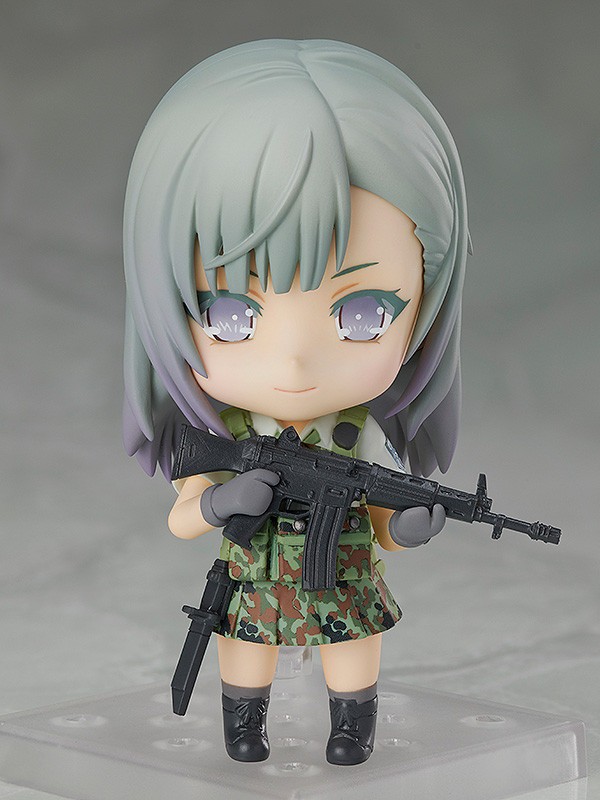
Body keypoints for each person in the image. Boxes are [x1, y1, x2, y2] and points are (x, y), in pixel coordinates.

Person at [123, 39, 469, 765]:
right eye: (230, 315)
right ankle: (243, 723)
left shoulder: (354, 433)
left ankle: (352, 725)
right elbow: (182, 517)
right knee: (245, 642)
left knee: (354, 639)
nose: (294, 361)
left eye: (364, 314)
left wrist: (406, 528)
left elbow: (381, 519)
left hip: (341, 574)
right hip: (252, 576)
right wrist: (223, 502)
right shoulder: (230, 433)